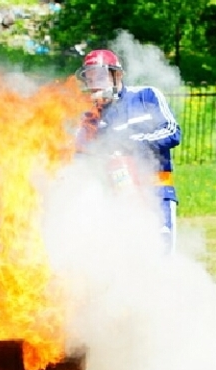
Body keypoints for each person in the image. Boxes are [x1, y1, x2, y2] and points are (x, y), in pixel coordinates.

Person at [74, 49, 182, 253]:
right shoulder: (90, 117)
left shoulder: (146, 96)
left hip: (156, 193)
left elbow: (172, 132)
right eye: (89, 78)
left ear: (117, 75)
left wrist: (132, 144)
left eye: (99, 76)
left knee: (161, 257)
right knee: (128, 263)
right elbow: (78, 156)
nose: (94, 84)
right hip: (119, 198)